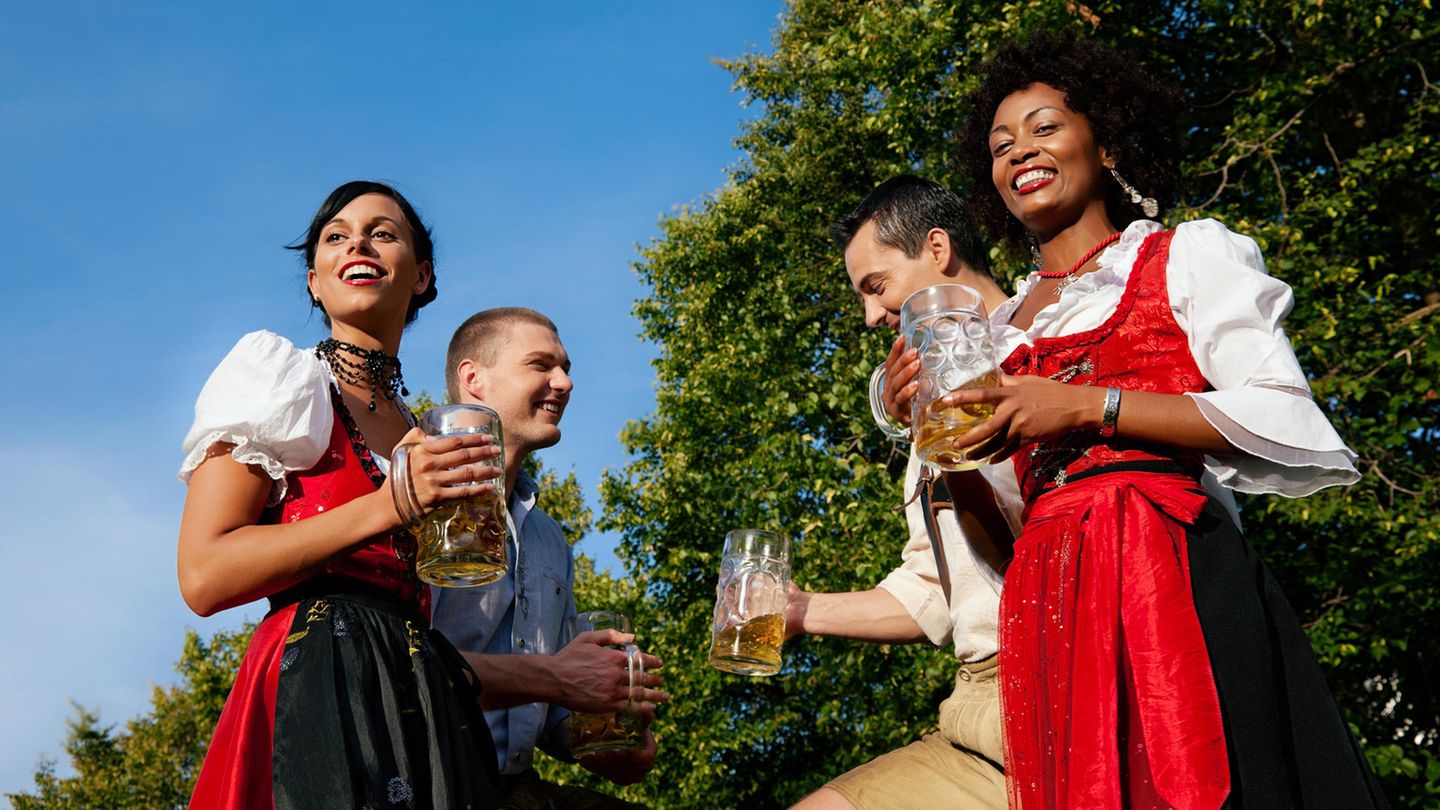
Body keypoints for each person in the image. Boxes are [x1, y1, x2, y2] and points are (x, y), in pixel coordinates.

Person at [942, 33, 1388, 808]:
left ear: (1107, 142)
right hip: (1051, 603)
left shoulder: (1184, 258)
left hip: (1172, 570)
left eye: (1045, 127)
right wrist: (941, 447)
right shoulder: (998, 334)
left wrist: (1087, 404)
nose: (1021, 151)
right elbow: (1005, 528)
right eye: (1001, 143)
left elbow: (1287, 418)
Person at [177, 181, 500, 808]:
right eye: (336, 235)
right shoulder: (280, 381)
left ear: (422, 275)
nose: (359, 241)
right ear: (314, 282)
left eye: (384, 232)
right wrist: (389, 506)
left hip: (418, 702)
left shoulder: (424, 433)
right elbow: (203, 573)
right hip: (314, 682)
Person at [787, 176, 1017, 810]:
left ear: (936, 249)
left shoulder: (1048, 339)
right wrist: (798, 610)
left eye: (875, 287)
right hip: (978, 702)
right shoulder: (929, 406)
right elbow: (941, 595)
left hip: (1065, 675)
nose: (869, 315)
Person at [428, 307, 668, 809]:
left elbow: (548, 716)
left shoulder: (548, 539)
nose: (564, 382)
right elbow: (397, 668)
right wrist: (561, 679)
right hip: (425, 780)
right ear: (473, 379)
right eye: (540, 365)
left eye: (566, 368)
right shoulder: (415, 502)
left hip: (513, 788)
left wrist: (605, 737)